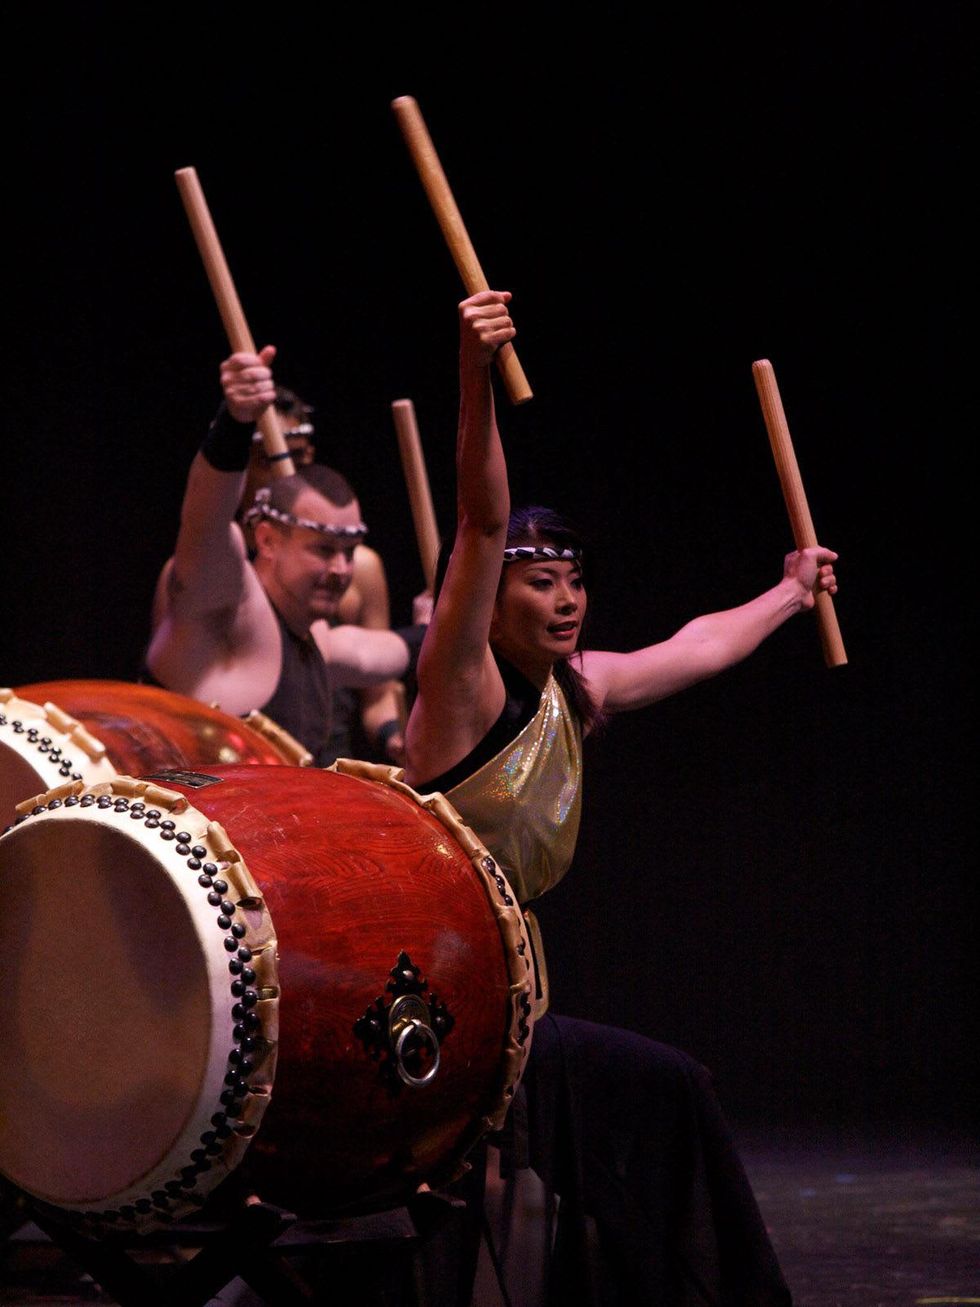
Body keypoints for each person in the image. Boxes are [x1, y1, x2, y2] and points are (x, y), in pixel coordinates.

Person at [403, 290, 840, 1305]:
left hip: (509, 1010)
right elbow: (477, 518)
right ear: (487, 594)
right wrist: (473, 375)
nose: (562, 598)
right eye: (537, 580)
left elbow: (688, 649)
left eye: (572, 579)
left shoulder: (574, 688)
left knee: (647, 1105)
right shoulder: (458, 688)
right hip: (433, 1011)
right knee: (663, 1089)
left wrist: (786, 590)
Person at [144, 344, 423, 767]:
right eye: (324, 550)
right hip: (185, 826)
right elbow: (206, 518)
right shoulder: (223, 600)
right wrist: (234, 422)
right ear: (268, 540)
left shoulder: (315, 637)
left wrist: (452, 624)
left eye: (348, 552)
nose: (341, 571)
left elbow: (380, 653)